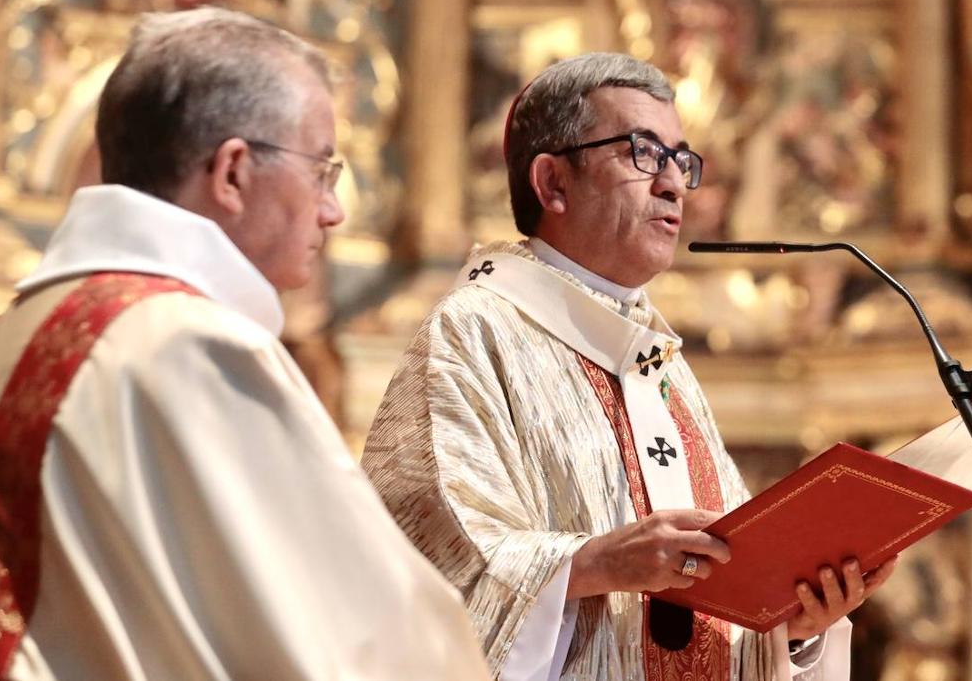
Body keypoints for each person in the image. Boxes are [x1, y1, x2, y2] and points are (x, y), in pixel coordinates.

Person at [0, 7, 490, 681]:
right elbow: (366, 644)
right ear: (232, 172)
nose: (333, 210)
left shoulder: (3, 338)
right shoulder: (195, 346)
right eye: (322, 170)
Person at [361, 52, 896, 681]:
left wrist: (792, 625)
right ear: (552, 183)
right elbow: (425, 569)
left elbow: (718, 603)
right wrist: (593, 564)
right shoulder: (475, 332)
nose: (673, 184)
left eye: (681, 160)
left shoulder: (658, 364)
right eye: (643, 153)